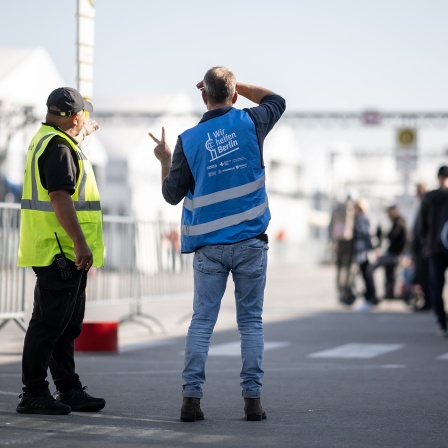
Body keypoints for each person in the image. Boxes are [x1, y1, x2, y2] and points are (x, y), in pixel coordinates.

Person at [149, 67, 285, 422]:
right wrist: (235, 85)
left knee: (202, 322)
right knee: (251, 322)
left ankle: (191, 401)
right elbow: (277, 100)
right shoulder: (251, 122)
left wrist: (164, 160)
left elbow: (170, 195)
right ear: (235, 95)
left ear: (203, 96)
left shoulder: (189, 140)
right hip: (251, 244)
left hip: (209, 248)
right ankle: (252, 401)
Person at [16, 87, 106, 415]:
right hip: (61, 250)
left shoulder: (53, 141)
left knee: (66, 325)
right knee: (49, 324)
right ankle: (34, 392)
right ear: (76, 116)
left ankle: (68, 388)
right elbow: (59, 196)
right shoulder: (57, 147)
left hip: (60, 247)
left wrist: (80, 139)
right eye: (83, 115)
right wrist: (81, 243)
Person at [420, 165, 448, 336]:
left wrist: (426, 244)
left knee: (436, 286)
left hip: (435, 248)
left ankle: (441, 322)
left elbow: (421, 226)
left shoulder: (429, 198)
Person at [370, 205, 407, 299]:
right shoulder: (397, 222)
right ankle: (389, 293)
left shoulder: (399, 223)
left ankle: (384, 293)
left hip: (395, 254)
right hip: (394, 253)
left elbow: (393, 236)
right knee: (390, 274)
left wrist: (383, 233)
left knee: (372, 269)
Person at [328, 196, 355, 304]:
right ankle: (347, 289)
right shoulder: (351, 210)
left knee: (339, 268)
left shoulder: (337, 210)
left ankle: (340, 290)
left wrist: (331, 241)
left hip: (338, 241)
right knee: (349, 268)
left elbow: (330, 227)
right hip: (350, 243)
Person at [352, 198, 377, 312]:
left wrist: (371, 249)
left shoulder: (363, 219)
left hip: (365, 253)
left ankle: (370, 299)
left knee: (367, 276)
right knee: (367, 276)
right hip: (364, 252)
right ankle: (370, 299)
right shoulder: (363, 218)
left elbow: (367, 235)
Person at [410, 182, 431, 311]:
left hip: (425, 247)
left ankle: (429, 301)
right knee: (422, 276)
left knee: (427, 276)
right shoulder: (419, 205)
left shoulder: (428, 204)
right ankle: (427, 301)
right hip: (420, 247)